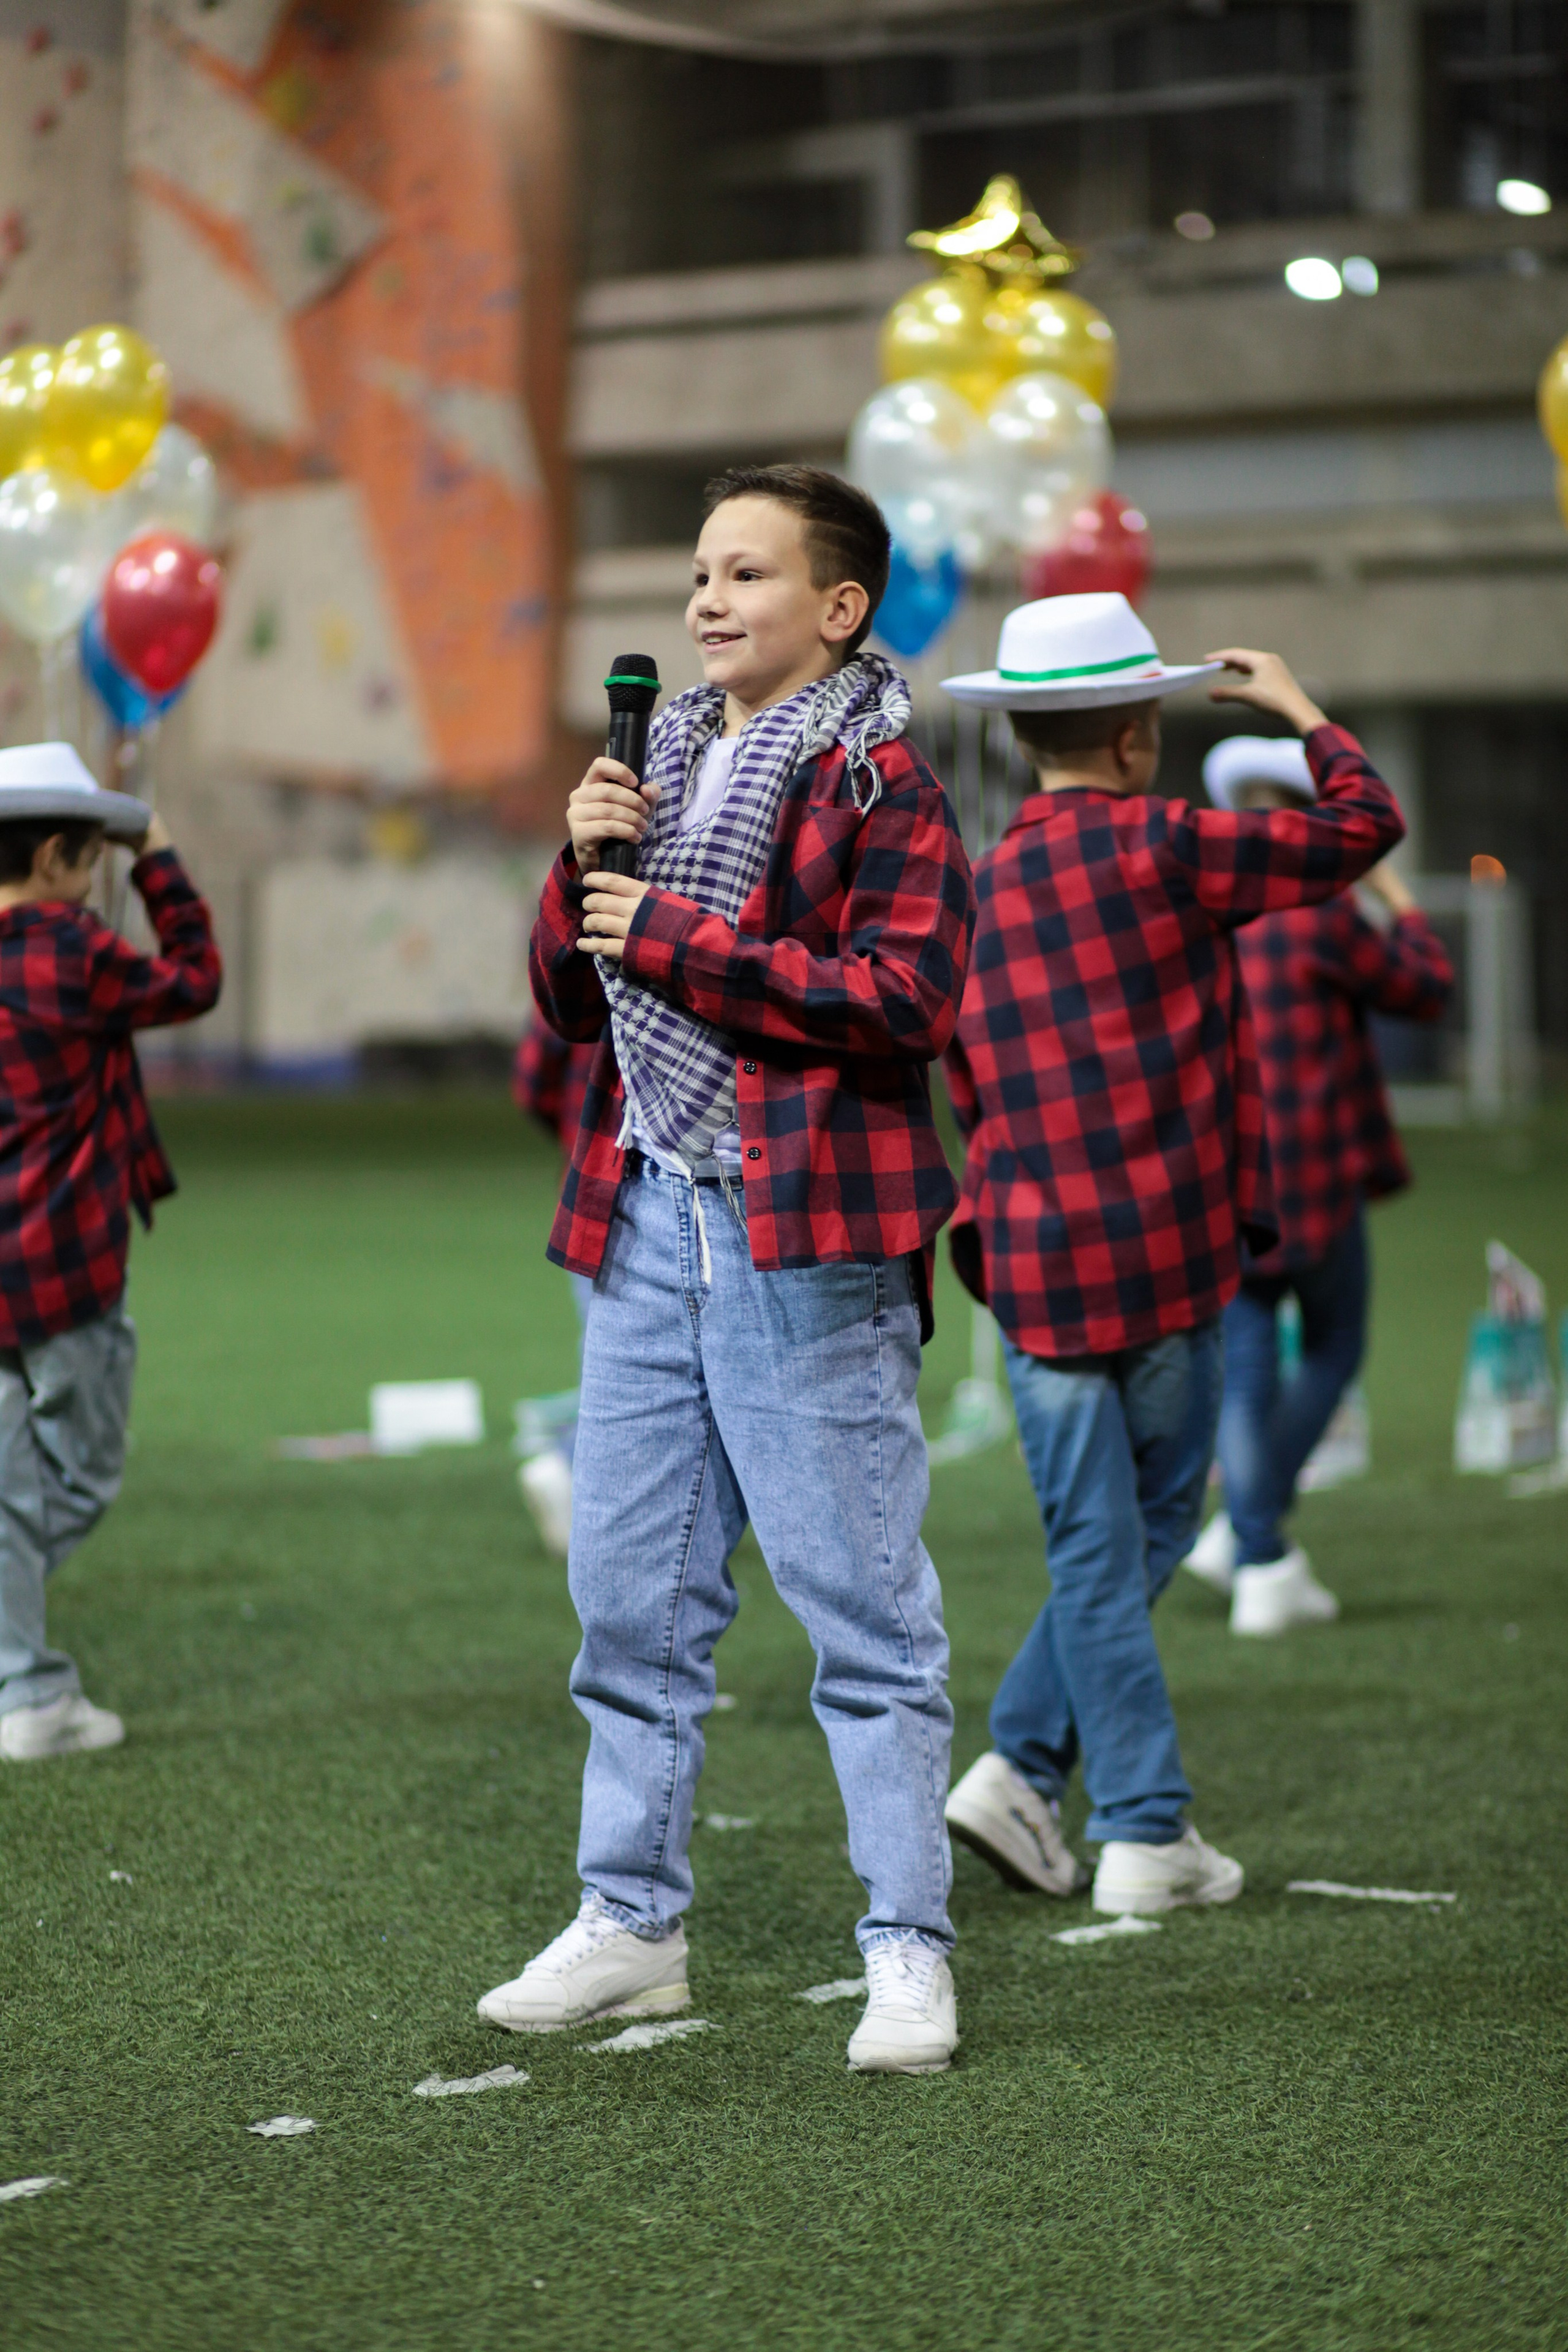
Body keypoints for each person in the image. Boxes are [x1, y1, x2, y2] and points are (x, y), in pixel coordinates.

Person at [479, 465, 976, 2073]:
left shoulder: (882, 780)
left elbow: (903, 1000)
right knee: (627, 1603)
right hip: (641, 1221)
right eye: (701, 572)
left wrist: (672, 938)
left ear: (838, 612)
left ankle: (908, 1948)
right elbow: (571, 1002)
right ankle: (631, 1924)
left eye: (747, 576)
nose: (705, 601)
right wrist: (580, 864)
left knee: (865, 1617)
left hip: (809, 1236)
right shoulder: (651, 764)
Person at [937, 595, 1404, 1916]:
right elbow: (1366, 832)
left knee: (1100, 1548)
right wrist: (1302, 713)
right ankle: (1139, 1830)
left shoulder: (970, 893)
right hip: (1166, 1259)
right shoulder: (1172, 847)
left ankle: (1023, 1769)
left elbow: (963, 1084)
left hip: (1030, 1269)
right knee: (1141, 1533)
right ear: (1139, 736)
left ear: (1022, 732)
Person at [1181, 735, 1453, 1634]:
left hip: (1225, 1180)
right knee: (1335, 1348)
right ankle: (1258, 1548)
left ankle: (1243, 1537)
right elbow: (1425, 989)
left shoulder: (1204, 910)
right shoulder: (1324, 912)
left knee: (1247, 1375)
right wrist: (1399, 901)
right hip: (1315, 1177)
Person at [0, 744, 222, 1762]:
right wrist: (159, 859)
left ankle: (28, 1682)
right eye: (90, 859)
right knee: (78, 1476)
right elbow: (195, 979)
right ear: (55, 855)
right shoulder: (70, 951)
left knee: (10, 1482)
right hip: (63, 1262)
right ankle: (29, 1690)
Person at [511, 1023, 598, 1556]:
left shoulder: (582, 952)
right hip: (704, 1186)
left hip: (589, 1180)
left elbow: (533, 1082)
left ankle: (567, 1468)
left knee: (615, 1351)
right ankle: (569, 1464)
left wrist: (575, 1135)